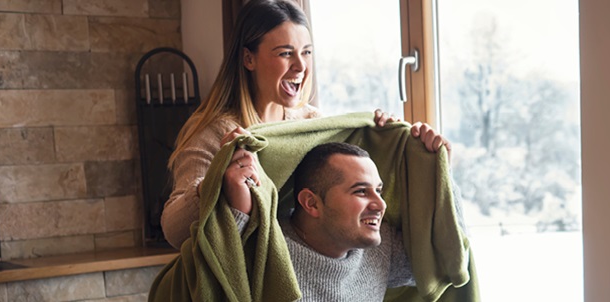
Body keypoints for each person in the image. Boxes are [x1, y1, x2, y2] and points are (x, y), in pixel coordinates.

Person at [162, 0, 448, 249]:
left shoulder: (311, 123)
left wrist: (388, 142)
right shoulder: (213, 132)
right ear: (249, 58)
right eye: (286, 53)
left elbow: (353, 190)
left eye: (307, 52)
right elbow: (174, 231)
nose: (301, 66)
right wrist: (213, 182)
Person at [232, 142, 413, 301]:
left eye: (378, 191)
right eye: (361, 191)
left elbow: (437, 263)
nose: (380, 204)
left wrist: (432, 150)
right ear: (312, 203)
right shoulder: (263, 251)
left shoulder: (381, 247)